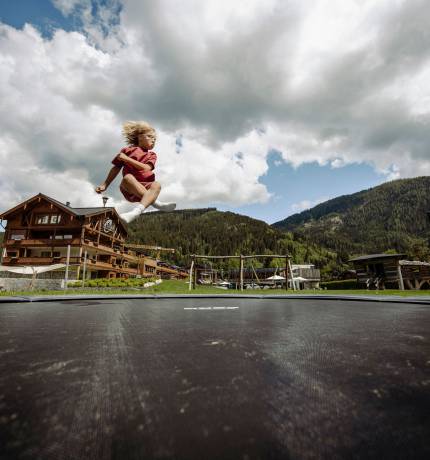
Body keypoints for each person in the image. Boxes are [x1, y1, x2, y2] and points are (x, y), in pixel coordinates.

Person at [95, 121, 176, 222]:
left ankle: (135, 213)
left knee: (157, 185)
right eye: (150, 136)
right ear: (140, 136)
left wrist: (127, 159)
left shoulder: (152, 155)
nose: (153, 140)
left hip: (146, 187)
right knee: (128, 177)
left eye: (155, 139)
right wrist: (105, 185)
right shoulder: (126, 151)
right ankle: (157, 203)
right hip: (129, 187)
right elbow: (116, 168)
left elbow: (146, 168)